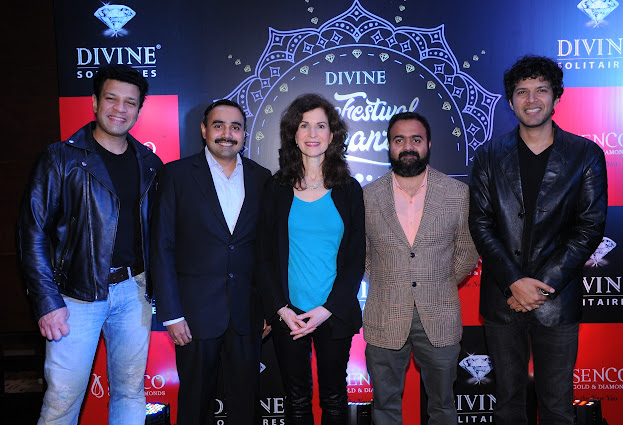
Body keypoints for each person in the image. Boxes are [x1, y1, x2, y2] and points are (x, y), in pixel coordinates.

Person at [16, 64, 162, 424]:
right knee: (62, 401)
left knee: (130, 392)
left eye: (130, 102)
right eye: (111, 99)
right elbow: (32, 232)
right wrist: (46, 300)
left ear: (139, 110)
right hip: (74, 297)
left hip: (134, 292)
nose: (120, 109)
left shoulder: (150, 163)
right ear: (95, 102)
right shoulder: (60, 158)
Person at [468, 55, 608, 424]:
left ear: (556, 97)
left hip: (557, 302)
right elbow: (480, 225)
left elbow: (590, 227)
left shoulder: (585, 155)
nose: (532, 100)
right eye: (522, 92)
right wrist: (515, 282)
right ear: (510, 100)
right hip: (504, 301)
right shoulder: (488, 156)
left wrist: (539, 287)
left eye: (541, 90)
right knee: (508, 406)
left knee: (558, 408)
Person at [150, 99, 271, 425]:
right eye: (219, 125)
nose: (227, 134)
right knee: (194, 405)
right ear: (204, 130)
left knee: (246, 407)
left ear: (244, 134)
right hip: (194, 315)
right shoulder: (176, 175)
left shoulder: (262, 178)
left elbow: (268, 250)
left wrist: (269, 307)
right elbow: (162, 247)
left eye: (235, 127)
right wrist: (171, 313)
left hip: (247, 313)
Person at [363, 111, 479, 424]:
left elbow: (467, 250)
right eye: (399, 140)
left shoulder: (457, 193)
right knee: (385, 407)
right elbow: (362, 254)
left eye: (416, 139)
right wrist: (391, 280)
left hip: (440, 314)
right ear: (389, 145)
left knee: (442, 407)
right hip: (385, 314)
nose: (408, 147)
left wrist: (438, 280)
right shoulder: (367, 196)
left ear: (428, 144)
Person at [257, 93, 365, 425]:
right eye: (304, 125)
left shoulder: (349, 189)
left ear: (332, 135)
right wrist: (280, 309)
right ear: (294, 134)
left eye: (321, 125)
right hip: (289, 314)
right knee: (297, 400)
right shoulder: (276, 187)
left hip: (334, 312)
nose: (313, 133)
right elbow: (264, 255)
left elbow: (356, 257)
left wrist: (328, 309)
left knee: (334, 399)